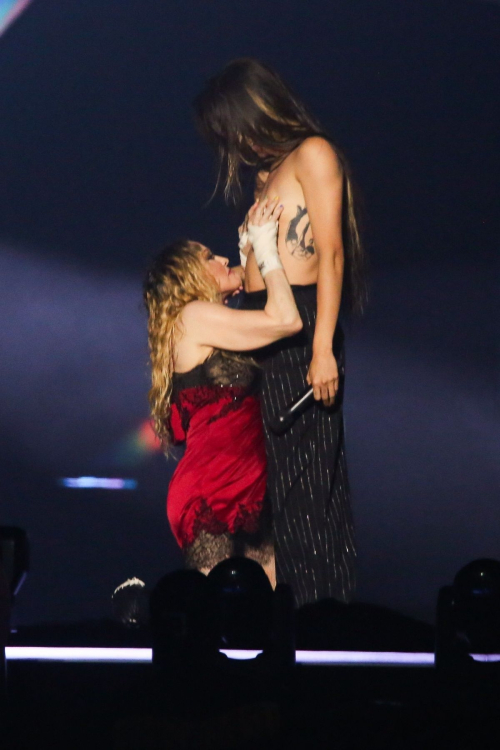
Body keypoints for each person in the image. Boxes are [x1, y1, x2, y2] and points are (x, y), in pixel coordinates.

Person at [194, 58, 367, 607]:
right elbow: (254, 281)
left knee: (312, 491)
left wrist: (322, 349)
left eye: (229, 130)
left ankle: (324, 620)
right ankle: (294, 616)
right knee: (281, 499)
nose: (232, 145)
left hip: (306, 333)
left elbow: (332, 252)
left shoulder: (313, 154)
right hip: (270, 335)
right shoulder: (269, 175)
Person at [144, 198, 302, 585]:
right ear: (190, 277)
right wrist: (263, 251)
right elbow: (286, 319)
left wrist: (250, 254)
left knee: (266, 612)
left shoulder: (207, 322)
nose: (222, 258)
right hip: (212, 488)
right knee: (213, 612)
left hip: (249, 484)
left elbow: (258, 306)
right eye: (209, 257)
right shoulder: (194, 316)